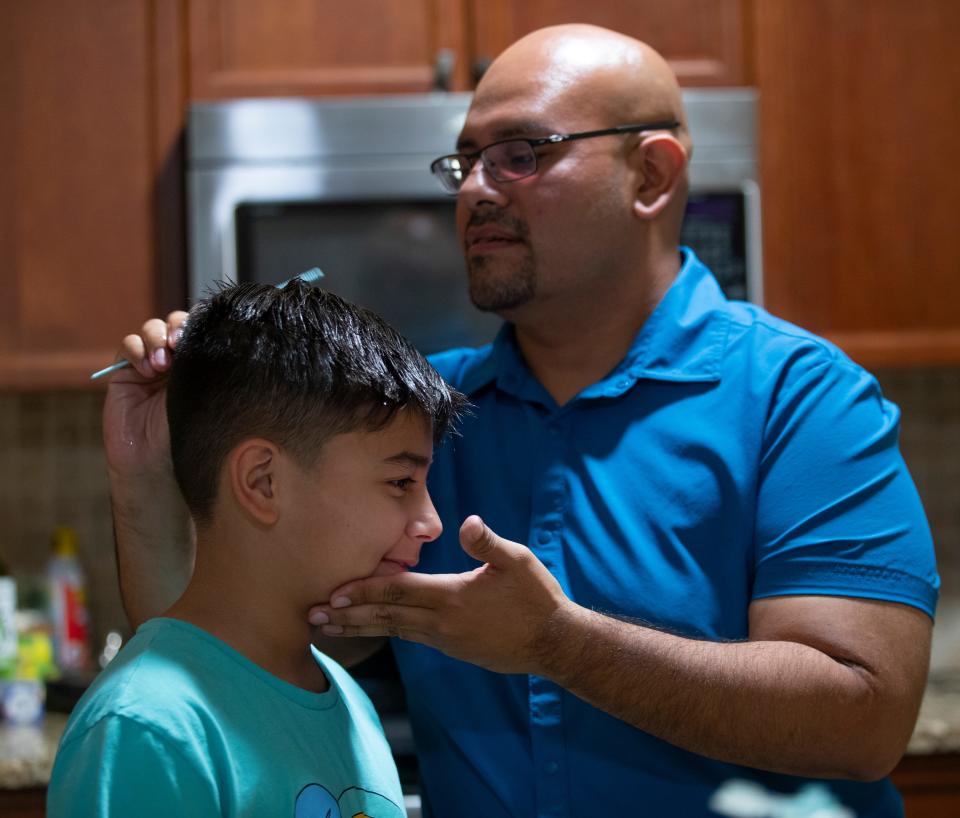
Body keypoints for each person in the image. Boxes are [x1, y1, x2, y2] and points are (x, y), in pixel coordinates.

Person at [105, 24, 938, 818]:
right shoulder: (417, 422)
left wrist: (556, 644)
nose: (472, 191)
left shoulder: (802, 398)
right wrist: (146, 475)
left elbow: (864, 719)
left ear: (650, 175)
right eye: (464, 161)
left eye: (520, 155)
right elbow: (216, 653)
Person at [49, 281, 465, 817]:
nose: (431, 522)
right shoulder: (144, 729)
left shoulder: (343, 696)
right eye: (401, 482)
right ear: (263, 483)